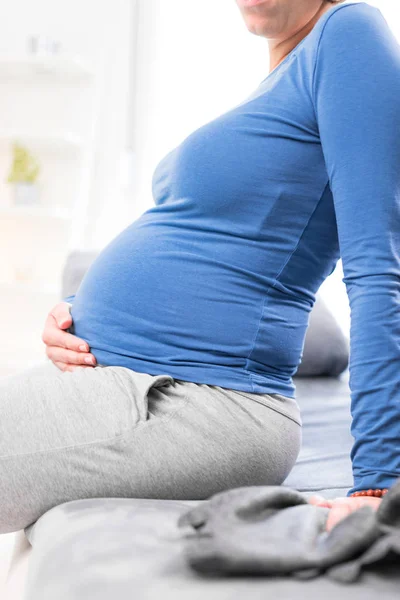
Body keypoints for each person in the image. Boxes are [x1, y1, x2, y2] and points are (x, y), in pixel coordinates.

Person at [1, 0, 399, 536]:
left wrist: (380, 481)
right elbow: (212, 246)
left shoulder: (349, 30)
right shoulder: (281, 78)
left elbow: (378, 266)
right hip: (133, 380)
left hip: (198, 402)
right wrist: (78, 317)